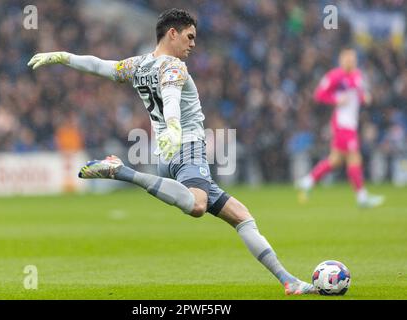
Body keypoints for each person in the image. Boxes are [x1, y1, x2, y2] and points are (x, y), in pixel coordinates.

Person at [28, 8, 316, 295]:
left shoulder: (138, 65)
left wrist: (63, 57)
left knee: (241, 216)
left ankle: (288, 281)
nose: (193, 44)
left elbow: (100, 66)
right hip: (186, 148)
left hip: (165, 153)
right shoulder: (174, 66)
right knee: (197, 206)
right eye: (189, 37)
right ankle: (122, 171)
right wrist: (176, 127)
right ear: (172, 33)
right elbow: (171, 95)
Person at [296, 48, 384, 208]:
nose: (351, 61)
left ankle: (308, 181)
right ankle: (362, 197)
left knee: (335, 160)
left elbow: (359, 93)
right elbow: (318, 94)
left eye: (353, 59)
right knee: (354, 157)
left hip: (351, 122)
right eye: (347, 59)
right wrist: (336, 98)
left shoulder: (357, 75)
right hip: (342, 123)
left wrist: (365, 97)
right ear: (341, 60)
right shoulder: (334, 75)